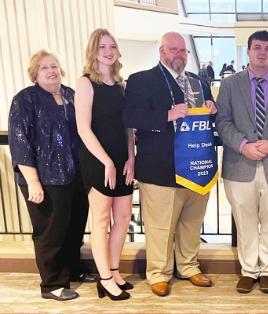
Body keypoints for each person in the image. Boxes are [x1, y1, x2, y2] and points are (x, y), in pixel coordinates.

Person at [123, 32, 217, 297]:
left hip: (196, 169)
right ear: (162, 52)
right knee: (161, 227)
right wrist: (166, 115)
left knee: (191, 223)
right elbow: (130, 116)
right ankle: (159, 273)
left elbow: (207, 118)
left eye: (183, 51)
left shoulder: (199, 82)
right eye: (173, 50)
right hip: (160, 170)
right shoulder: (142, 80)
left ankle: (188, 266)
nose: (179, 55)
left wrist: (212, 106)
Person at [216, 30, 268, 294]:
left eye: (267, 48)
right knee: (245, 220)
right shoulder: (229, 84)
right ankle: (249, 270)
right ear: (248, 50)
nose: (262, 52)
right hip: (239, 165)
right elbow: (223, 121)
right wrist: (243, 145)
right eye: (257, 47)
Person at [8, 50, 94, 301]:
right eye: (44, 67)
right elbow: (20, 142)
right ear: (35, 74)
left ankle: (74, 270)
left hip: (75, 175)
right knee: (50, 232)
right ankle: (52, 284)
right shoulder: (25, 100)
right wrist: (33, 181)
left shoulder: (71, 95)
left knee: (74, 227)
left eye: (54, 66)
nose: (51, 71)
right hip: (45, 178)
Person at [75, 28, 134, 301]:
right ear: (93, 52)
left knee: (122, 219)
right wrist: (107, 161)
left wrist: (131, 158)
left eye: (112, 46)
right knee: (101, 222)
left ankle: (113, 269)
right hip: (98, 160)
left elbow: (128, 128)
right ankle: (105, 278)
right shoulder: (86, 83)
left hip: (122, 160)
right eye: (102, 47)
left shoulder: (122, 86)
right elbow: (83, 129)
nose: (108, 51)